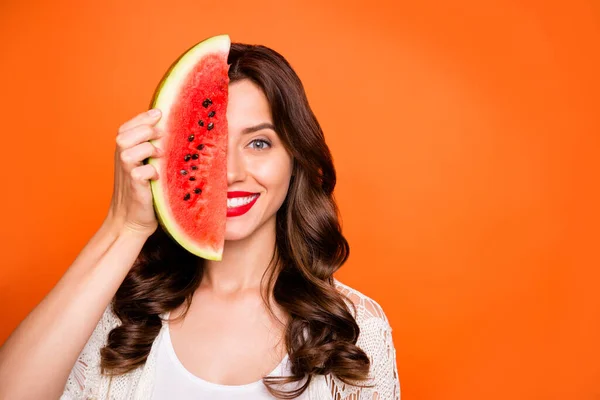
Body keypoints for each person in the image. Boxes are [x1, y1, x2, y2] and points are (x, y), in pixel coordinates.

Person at [0, 42, 400, 400]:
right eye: (206, 144)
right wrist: (125, 226)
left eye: (259, 142)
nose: (229, 173)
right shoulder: (124, 317)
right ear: (171, 159)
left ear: (295, 159)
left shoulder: (355, 327)